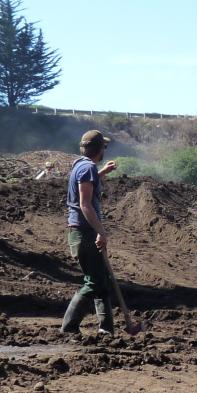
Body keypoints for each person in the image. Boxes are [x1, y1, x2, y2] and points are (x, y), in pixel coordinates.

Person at [61, 130, 117, 334]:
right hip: (85, 233)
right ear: (99, 148)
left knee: (101, 280)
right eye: (104, 147)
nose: (105, 150)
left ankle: (107, 330)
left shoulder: (83, 166)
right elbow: (85, 204)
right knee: (93, 281)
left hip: (83, 232)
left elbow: (85, 186)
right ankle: (69, 327)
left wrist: (102, 173)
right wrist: (100, 232)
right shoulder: (87, 168)